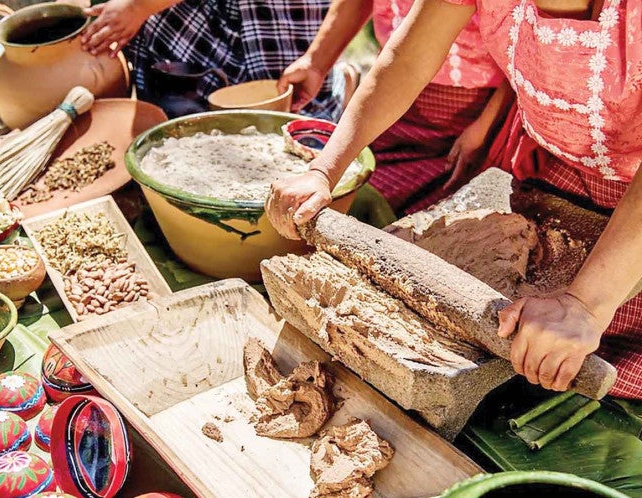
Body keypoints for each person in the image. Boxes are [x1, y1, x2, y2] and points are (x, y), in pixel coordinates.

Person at [266, 0, 642, 399]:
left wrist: (584, 306)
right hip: (555, 174)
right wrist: (323, 170)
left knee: (577, 355)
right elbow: (405, 60)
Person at [278, 0, 512, 213]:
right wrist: (316, 62)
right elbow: (404, 63)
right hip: (389, 101)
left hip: (473, 117)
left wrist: (484, 128)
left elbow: (526, 46)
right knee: (360, 199)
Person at [78, 0, 346, 120]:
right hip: (187, 21)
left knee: (278, 110)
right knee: (180, 117)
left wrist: (139, 7)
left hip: (272, 20)